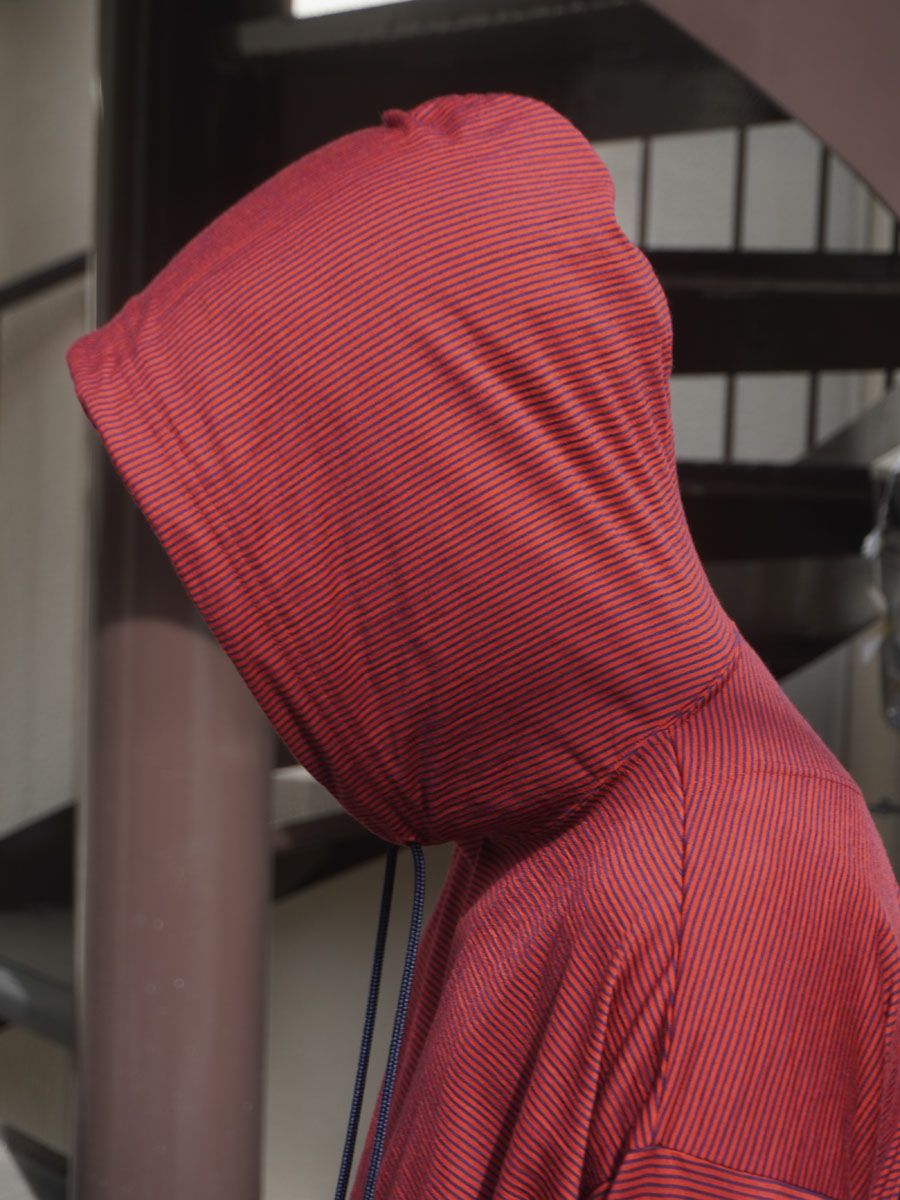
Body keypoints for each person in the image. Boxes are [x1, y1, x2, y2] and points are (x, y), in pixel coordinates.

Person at [66, 91, 900, 1200]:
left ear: (449, 497)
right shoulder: (542, 805)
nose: (252, 622)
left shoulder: (740, 895)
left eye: (308, 528)